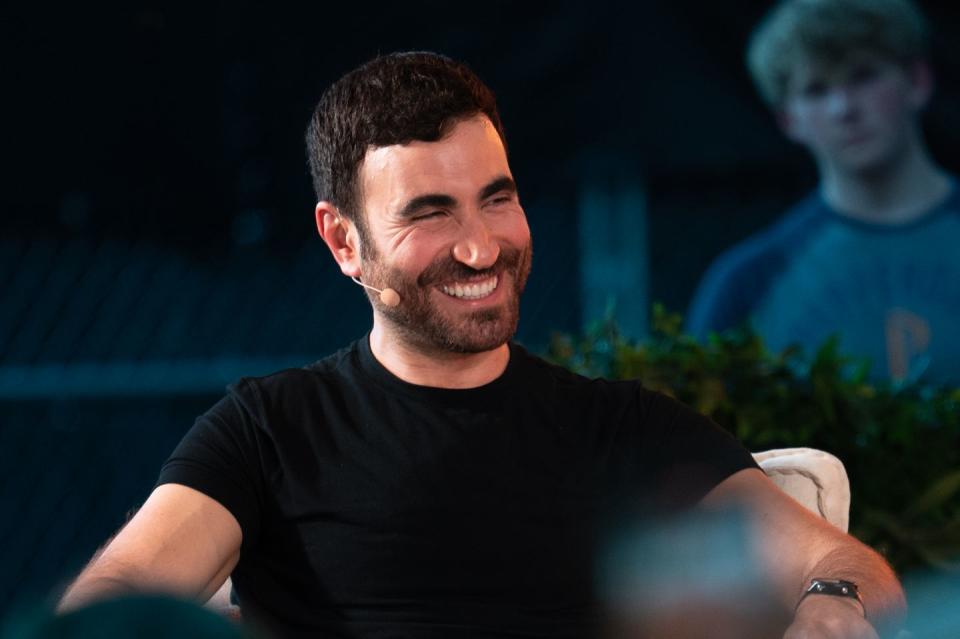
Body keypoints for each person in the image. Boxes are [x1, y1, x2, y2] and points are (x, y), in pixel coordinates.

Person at [59, 51, 905, 638]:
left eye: (496, 199)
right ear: (343, 241)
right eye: (431, 213)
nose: (481, 246)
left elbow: (843, 561)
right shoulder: (270, 429)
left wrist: (832, 600)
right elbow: (111, 600)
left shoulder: (621, 426)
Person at [686, 0, 960, 385]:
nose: (843, 107)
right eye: (816, 90)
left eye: (863, 76)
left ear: (917, 81)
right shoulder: (749, 284)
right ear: (788, 119)